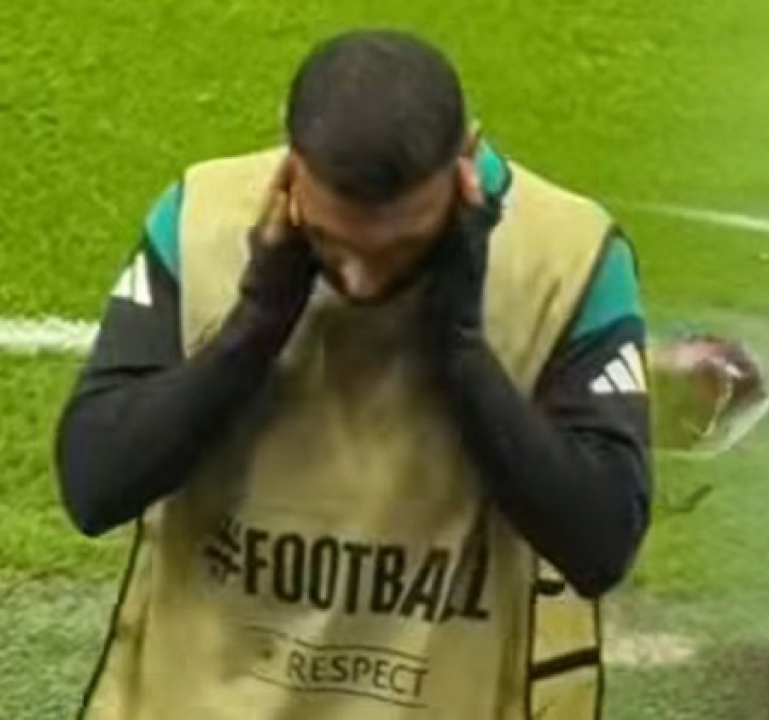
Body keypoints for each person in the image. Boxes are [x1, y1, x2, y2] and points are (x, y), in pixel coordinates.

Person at [53, 28, 709, 720]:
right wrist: (256, 322)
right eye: (331, 241)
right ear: (290, 161)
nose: (362, 280)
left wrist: (460, 348)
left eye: (401, 246)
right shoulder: (202, 219)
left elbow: (600, 540)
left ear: (466, 161)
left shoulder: (565, 256)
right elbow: (96, 483)